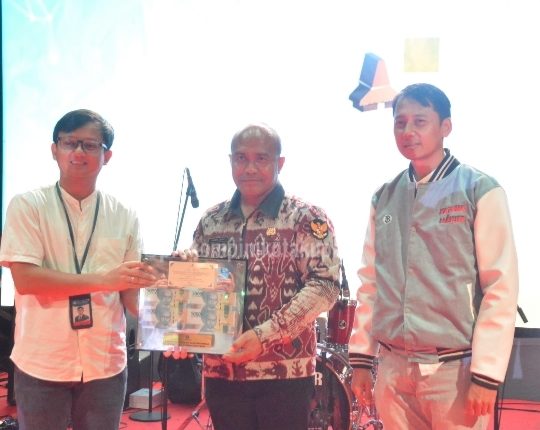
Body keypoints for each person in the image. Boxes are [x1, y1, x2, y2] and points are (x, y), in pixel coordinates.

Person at [348, 83, 519, 430]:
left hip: (454, 371)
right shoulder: (384, 196)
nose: (408, 131)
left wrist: (486, 374)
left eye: (420, 121)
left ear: (445, 127)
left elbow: (500, 285)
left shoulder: (478, 189)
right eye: (400, 122)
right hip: (393, 369)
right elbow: (371, 283)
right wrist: (363, 359)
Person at [0, 109, 158, 430]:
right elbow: (26, 279)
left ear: (106, 156)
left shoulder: (124, 214)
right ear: (54, 150)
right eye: (69, 142)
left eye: (90, 145)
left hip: (104, 365)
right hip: (43, 362)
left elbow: (130, 295)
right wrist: (103, 280)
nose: (78, 152)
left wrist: (173, 326)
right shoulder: (28, 205)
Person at [176, 123, 341, 430]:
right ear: (231, 161)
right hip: (222, 373)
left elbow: (325, 287)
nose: (250, 168)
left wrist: (265, 336)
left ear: (280, 163)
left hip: (285, 377)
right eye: (241, 158)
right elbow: (199, 286)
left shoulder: (306, 218)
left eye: (261, 158)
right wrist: (182, 273)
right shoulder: (211, 221)